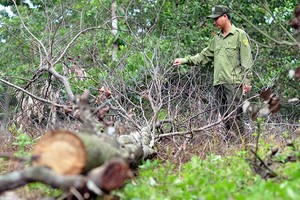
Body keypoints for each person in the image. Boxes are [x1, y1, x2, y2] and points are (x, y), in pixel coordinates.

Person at [173, 5, 253, 137]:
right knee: (225, 118)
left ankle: (241, 147)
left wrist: (247, 81)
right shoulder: (216, 39)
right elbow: (203, 56)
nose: (214, 22)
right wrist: (185, 60)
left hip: (234, 83)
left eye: (216, 19)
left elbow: (247, 60)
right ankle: (230, 148)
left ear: (225, 17)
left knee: (235, 117)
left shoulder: (239, 35)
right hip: (219, 84)